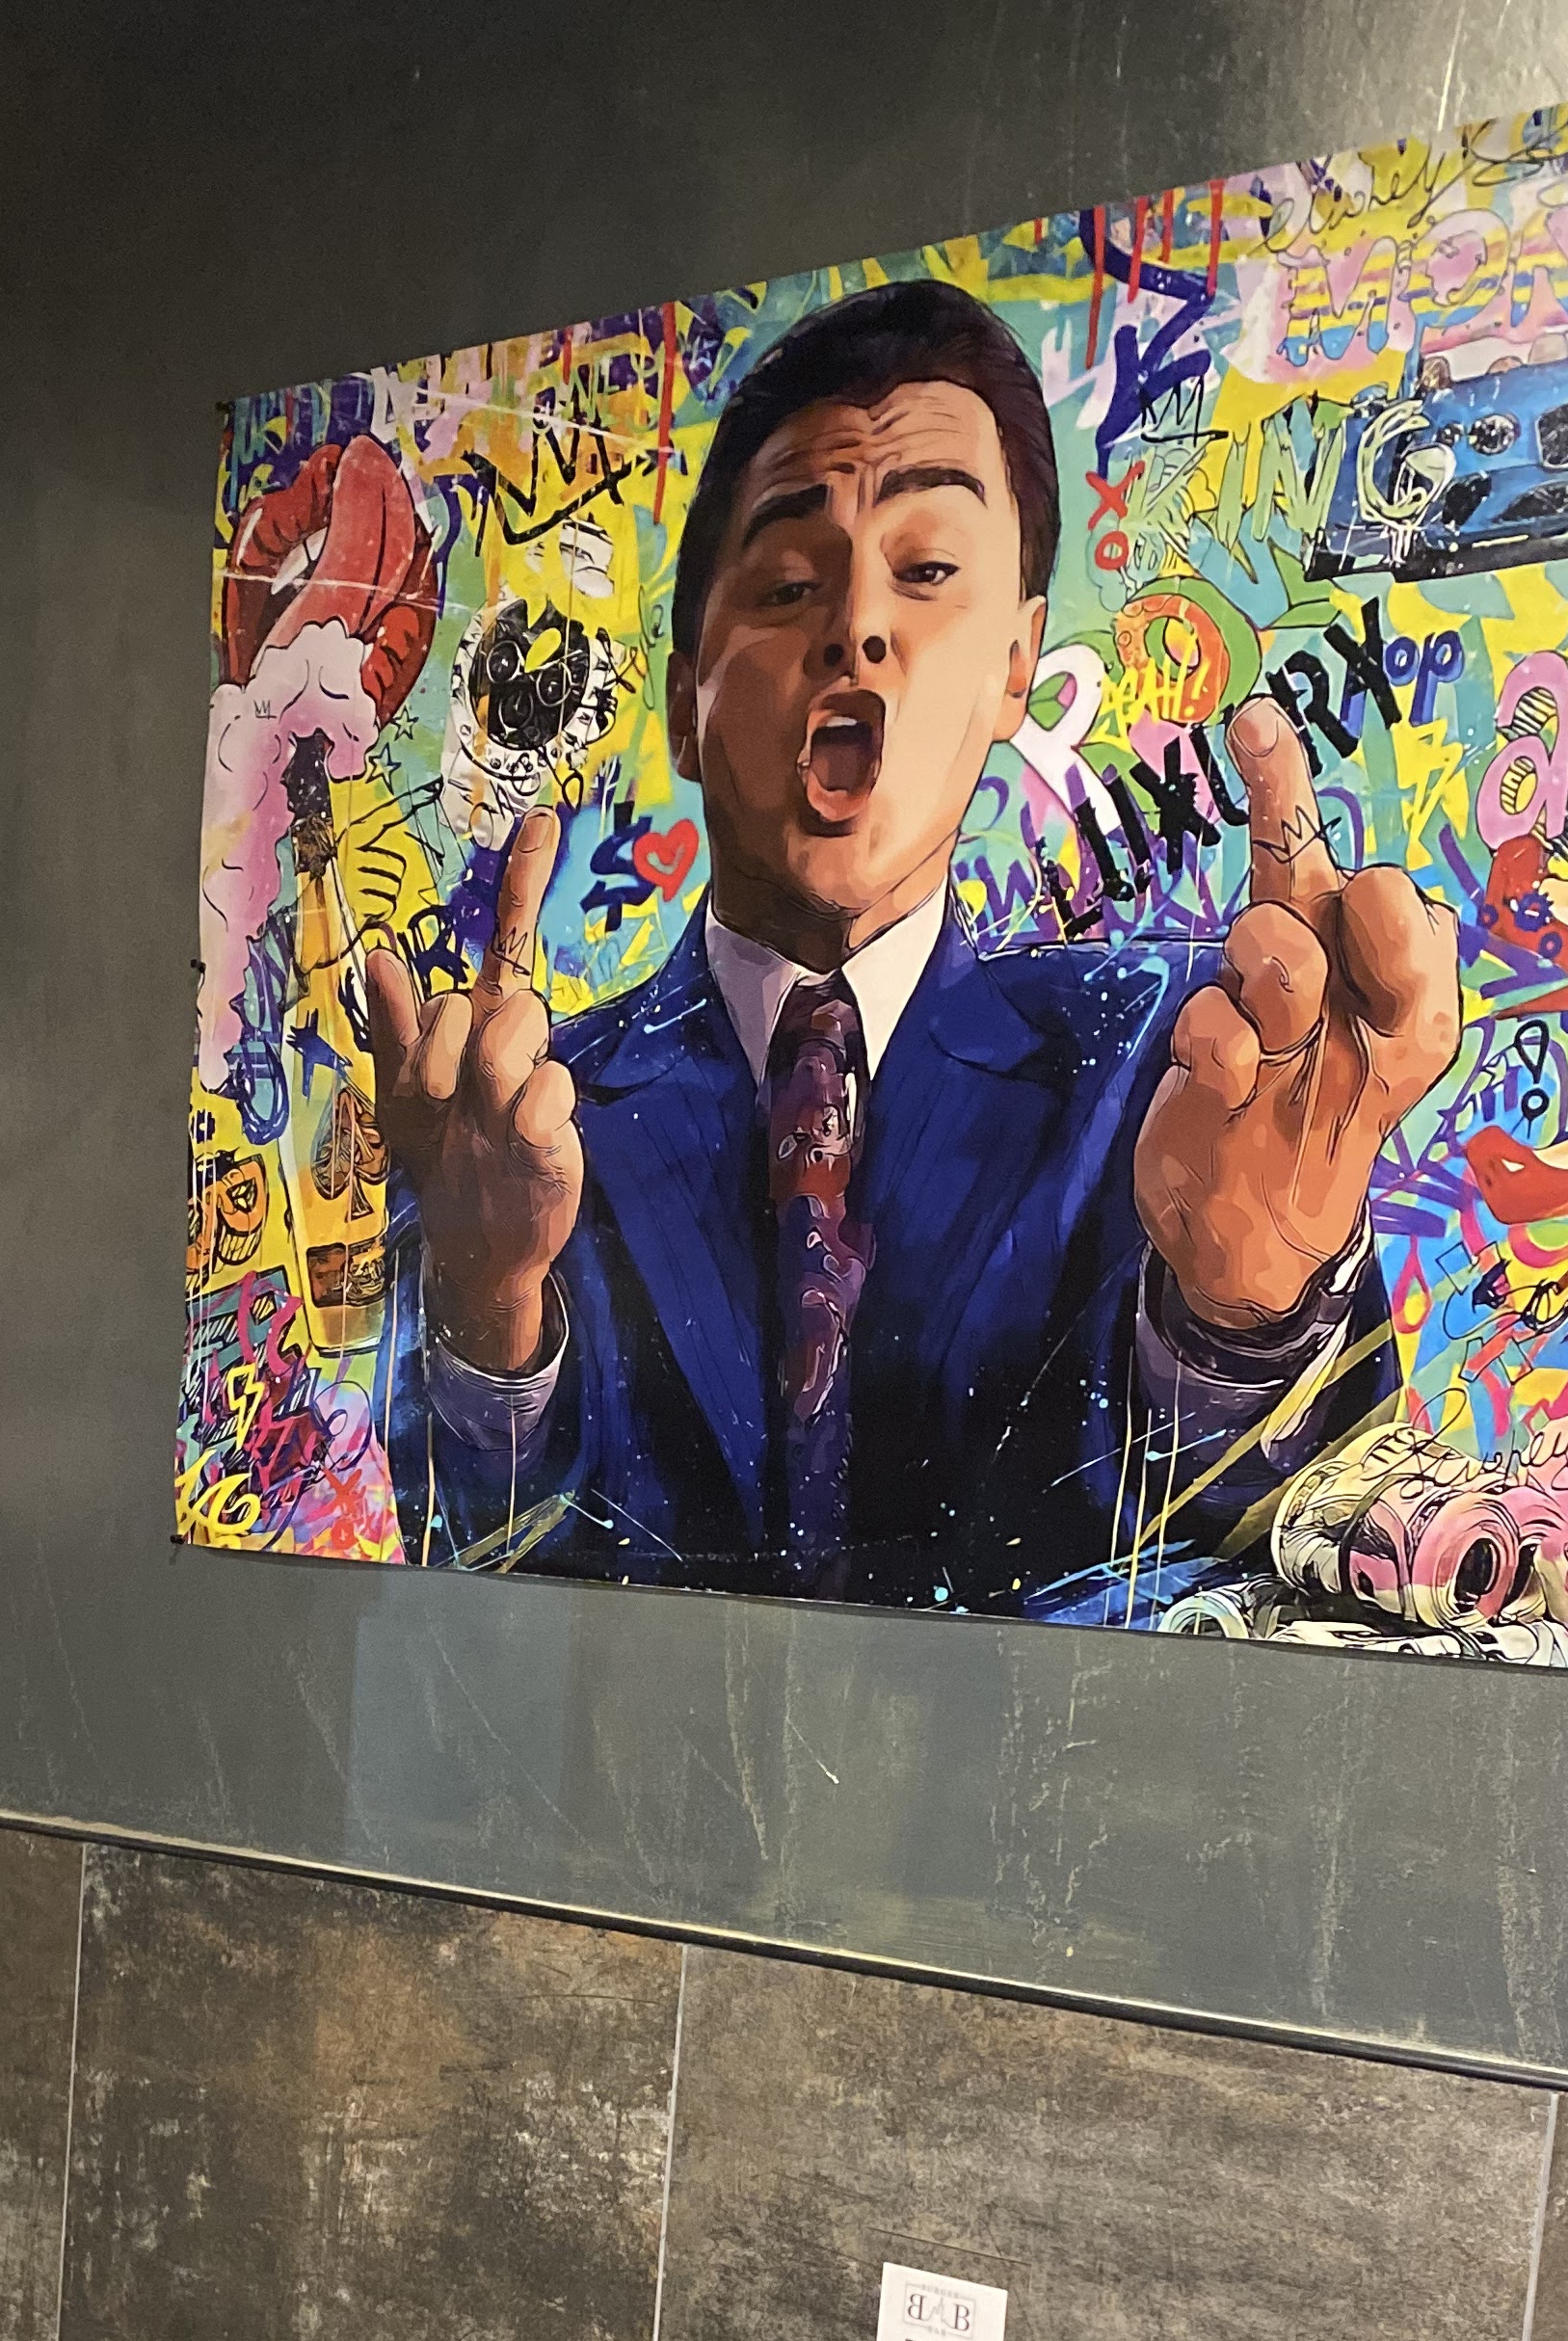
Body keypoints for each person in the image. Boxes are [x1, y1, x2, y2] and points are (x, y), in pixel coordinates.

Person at [364, 279, 1464, 1608]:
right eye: (787, 583)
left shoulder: (1181, 1062)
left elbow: (1262, 1563)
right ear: (683, 696)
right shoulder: (520, 1123)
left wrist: (1251, 1324)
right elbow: (465, 1581)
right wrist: (485, 1311)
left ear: (1016, 667)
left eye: (929, 570)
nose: (857, 627)